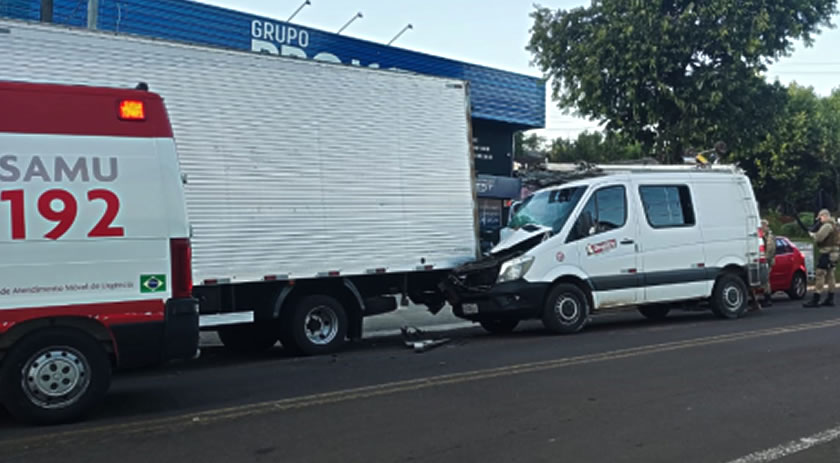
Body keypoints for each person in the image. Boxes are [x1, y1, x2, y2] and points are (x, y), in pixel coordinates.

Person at [804, 209, 839, 308]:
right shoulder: (835, 225)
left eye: (820, 218)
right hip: (834, 252)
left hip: (827, 252)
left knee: (820, 274)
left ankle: (816, 298)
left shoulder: (827, 226)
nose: (820, 220)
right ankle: (830, 298)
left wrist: (812, 234)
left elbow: (819, 238)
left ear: (824, 216)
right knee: (830, 275)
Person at [761, 219, 776, 307]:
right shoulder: (766, 235)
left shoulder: (769, 236)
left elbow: (770, 249)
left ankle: (768, 297)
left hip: (768, 260)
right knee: (765, 279)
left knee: (766, 280)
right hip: (768, 259)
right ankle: (767, 297)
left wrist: (765, 259)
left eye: (763, 226)